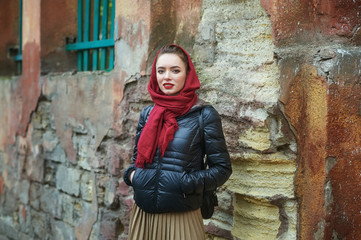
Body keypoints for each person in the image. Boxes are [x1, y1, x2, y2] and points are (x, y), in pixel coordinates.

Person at [123, 44, 232, 240]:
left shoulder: (204, 114)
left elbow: (222, 169)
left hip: (181, 217)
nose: (167, 77)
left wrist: (185, 183)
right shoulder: (147, 114)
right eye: (161, 70)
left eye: (175, 70)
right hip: (143, 214)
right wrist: (132, 176)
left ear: (187, 74)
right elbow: (137, 159)